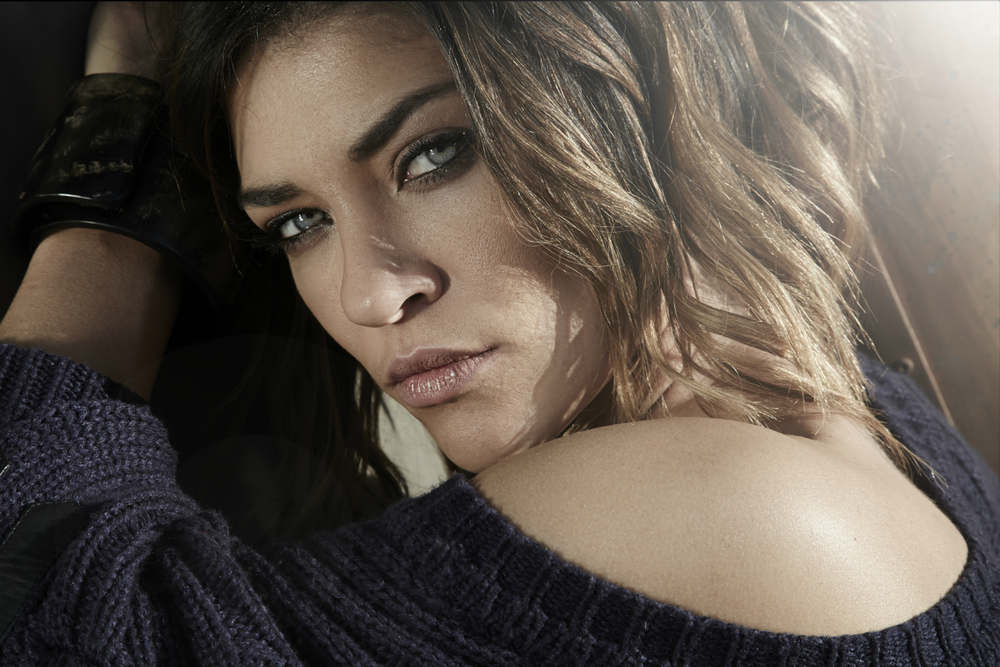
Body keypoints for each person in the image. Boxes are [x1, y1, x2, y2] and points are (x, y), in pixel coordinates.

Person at [0, 1, 996, 664]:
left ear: (628, 96)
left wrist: (109, 198)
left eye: (434, 155)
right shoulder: (861, 407)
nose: (369, 296)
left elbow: (60, 611)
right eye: (299, 224)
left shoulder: (713, 495)